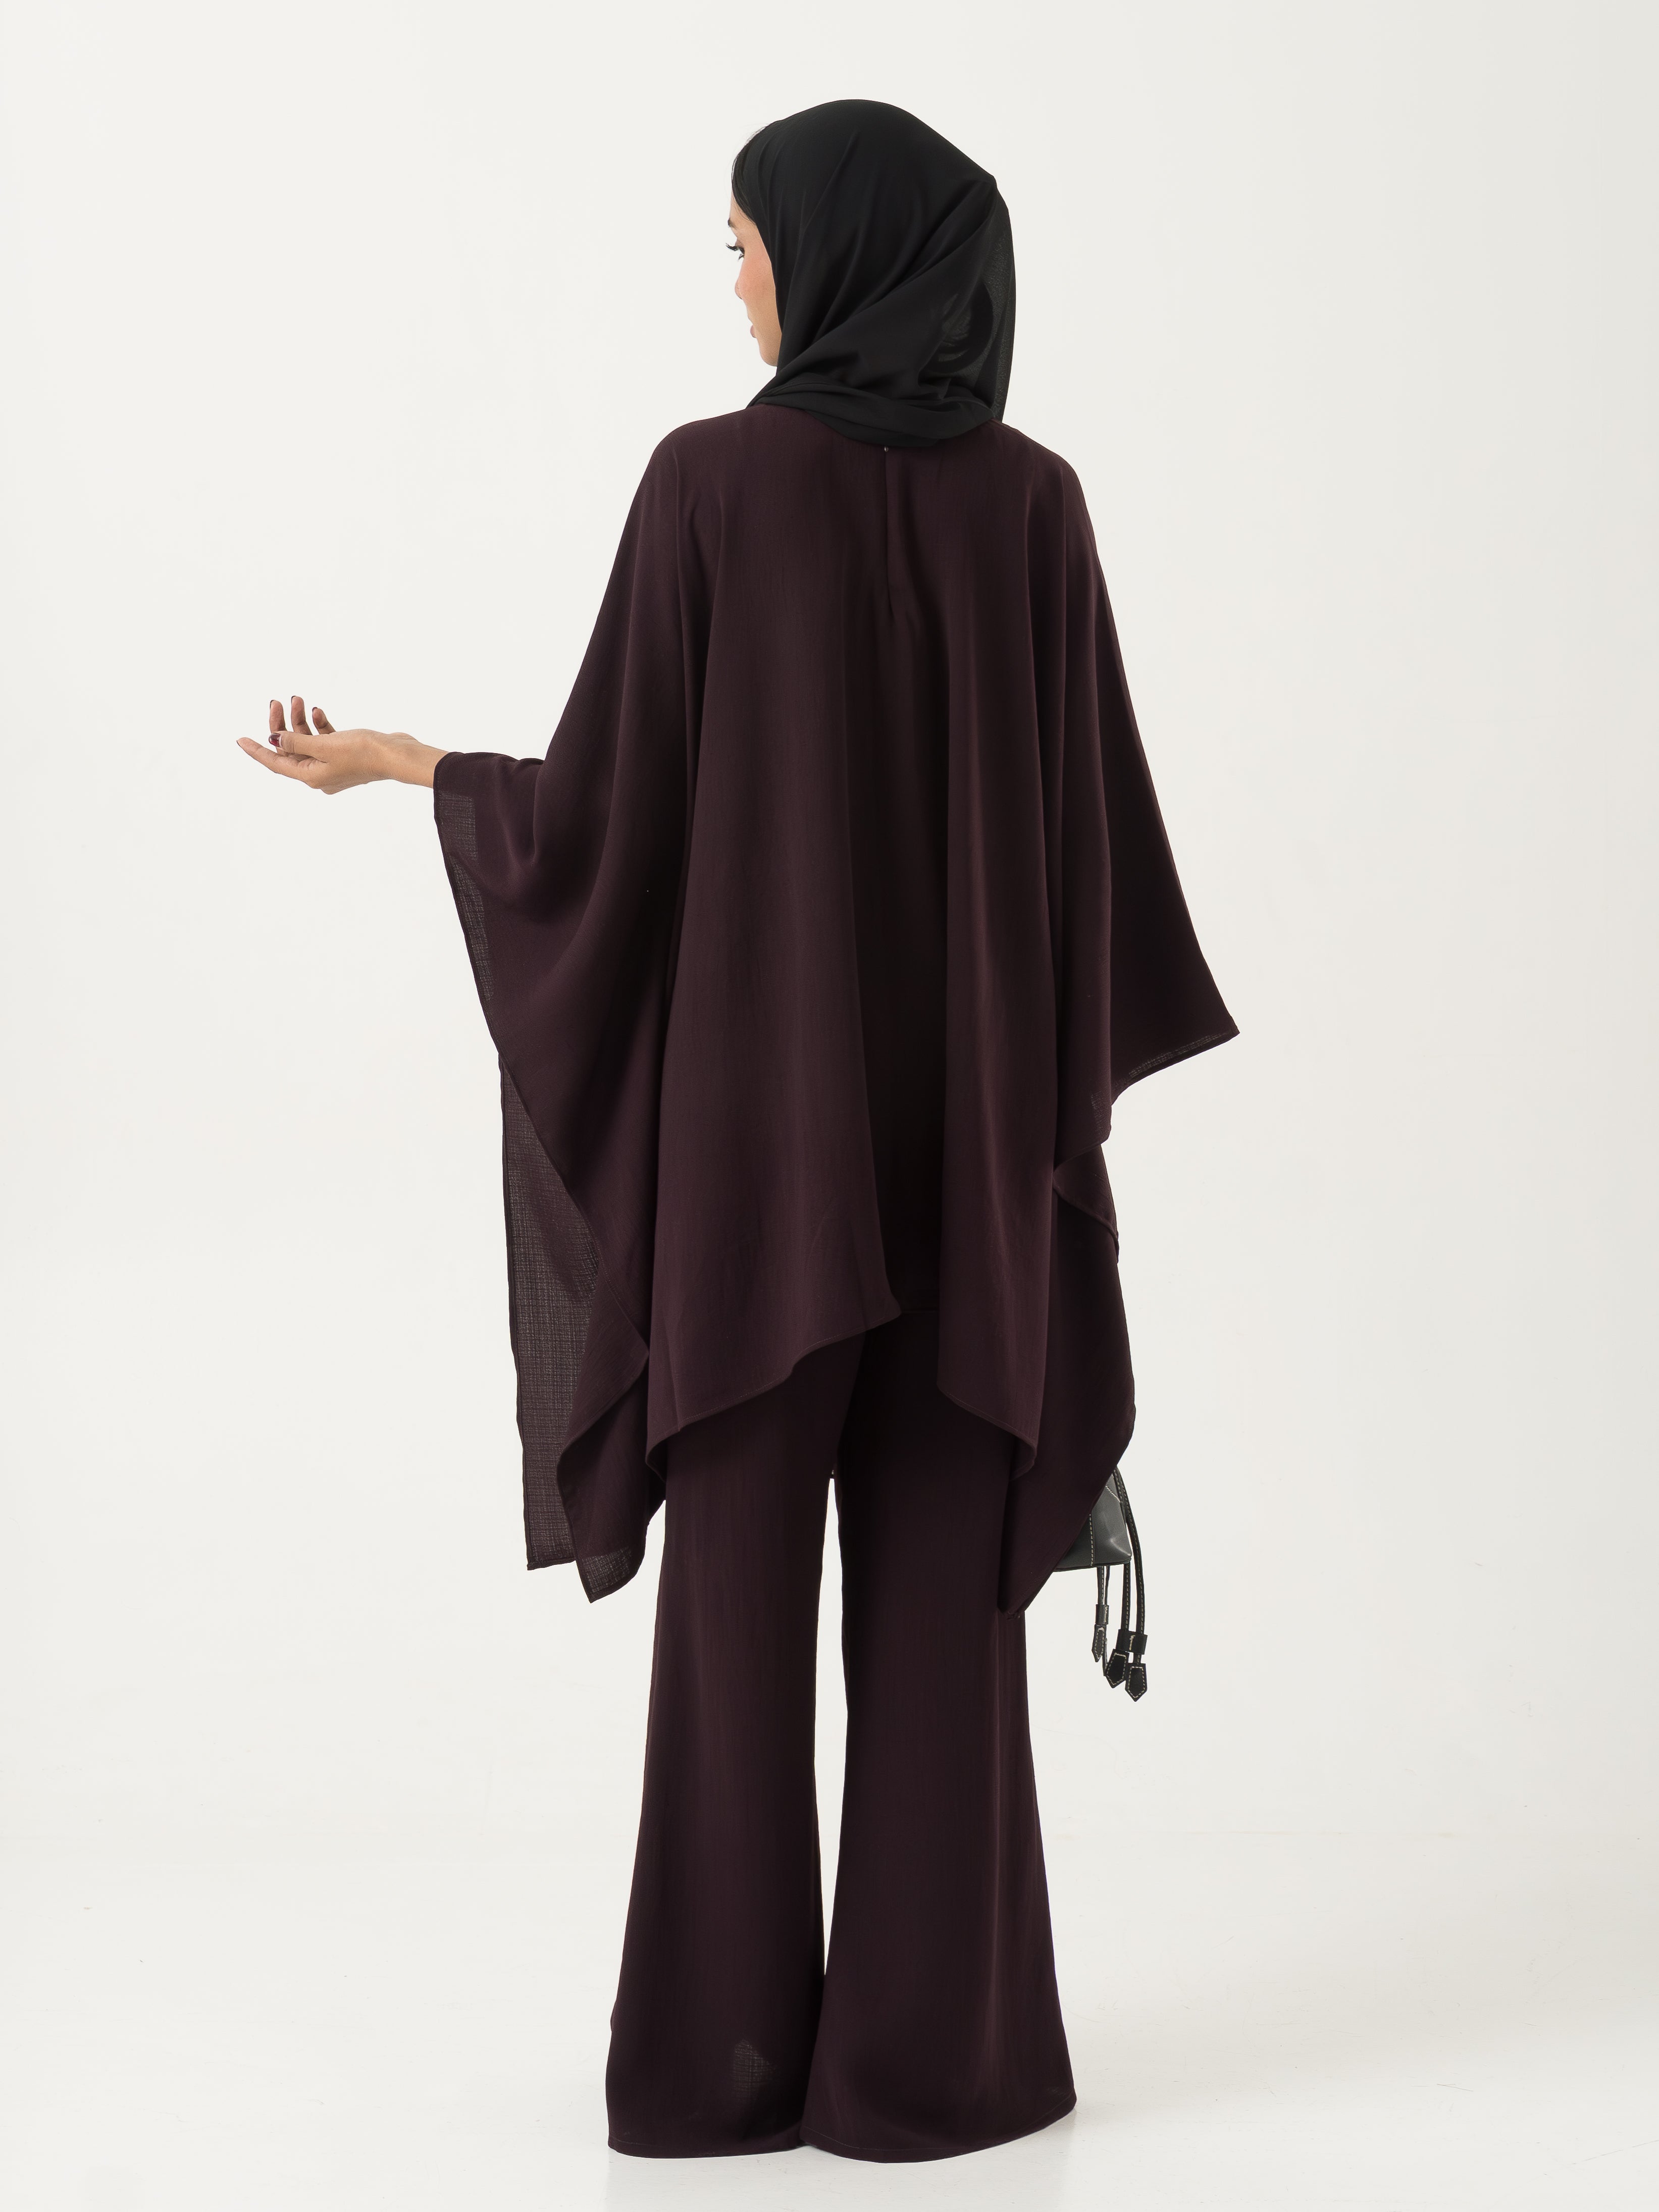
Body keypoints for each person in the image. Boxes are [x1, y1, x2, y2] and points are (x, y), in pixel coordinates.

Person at [237, 98, 1235, 2165]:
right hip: (970, 1191)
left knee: (732, 1650)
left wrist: (418, 772)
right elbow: (1091, 867)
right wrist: (1035, 1131)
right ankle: (937, 2072)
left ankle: (719, 2073)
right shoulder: (1035, 509)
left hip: (756, 1190)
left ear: (836, 253)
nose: (740, 282)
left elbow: (612, 816)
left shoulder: (712, 485)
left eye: (746, 243)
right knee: (945, 1645)